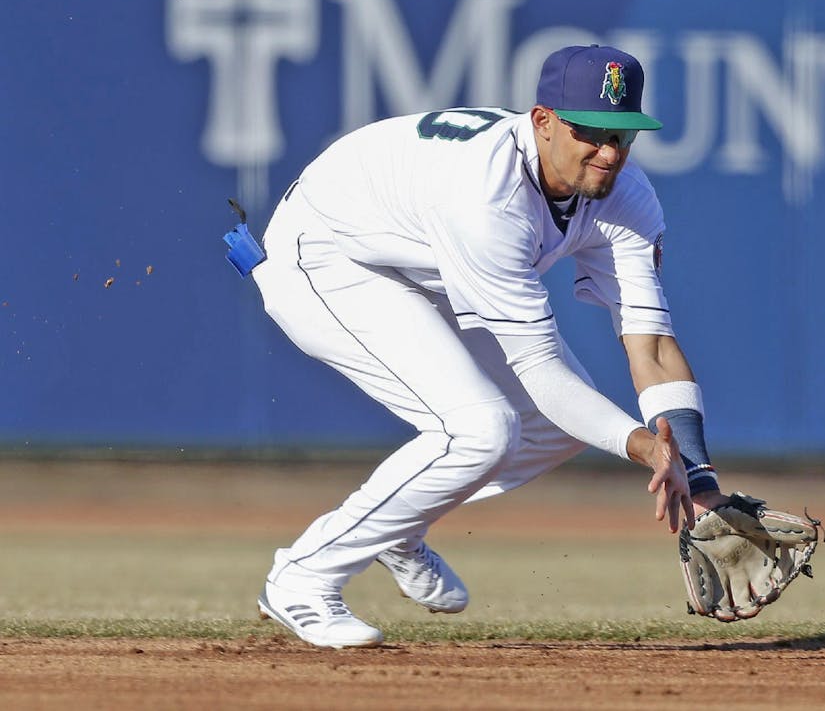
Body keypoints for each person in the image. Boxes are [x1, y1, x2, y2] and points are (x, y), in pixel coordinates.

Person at [246, 44, 730, 648]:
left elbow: (652, 344)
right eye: (591, 131)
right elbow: (541, 370)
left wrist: (700, 475)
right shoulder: (488, 198)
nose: (609, 152)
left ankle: (399, 526)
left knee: (554, 429)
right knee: (481, 429)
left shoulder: (624, 191)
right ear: (543, 120)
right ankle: (303, 576)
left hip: (419, 262)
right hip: (324, 255)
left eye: (623, 133)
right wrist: (644, 448)